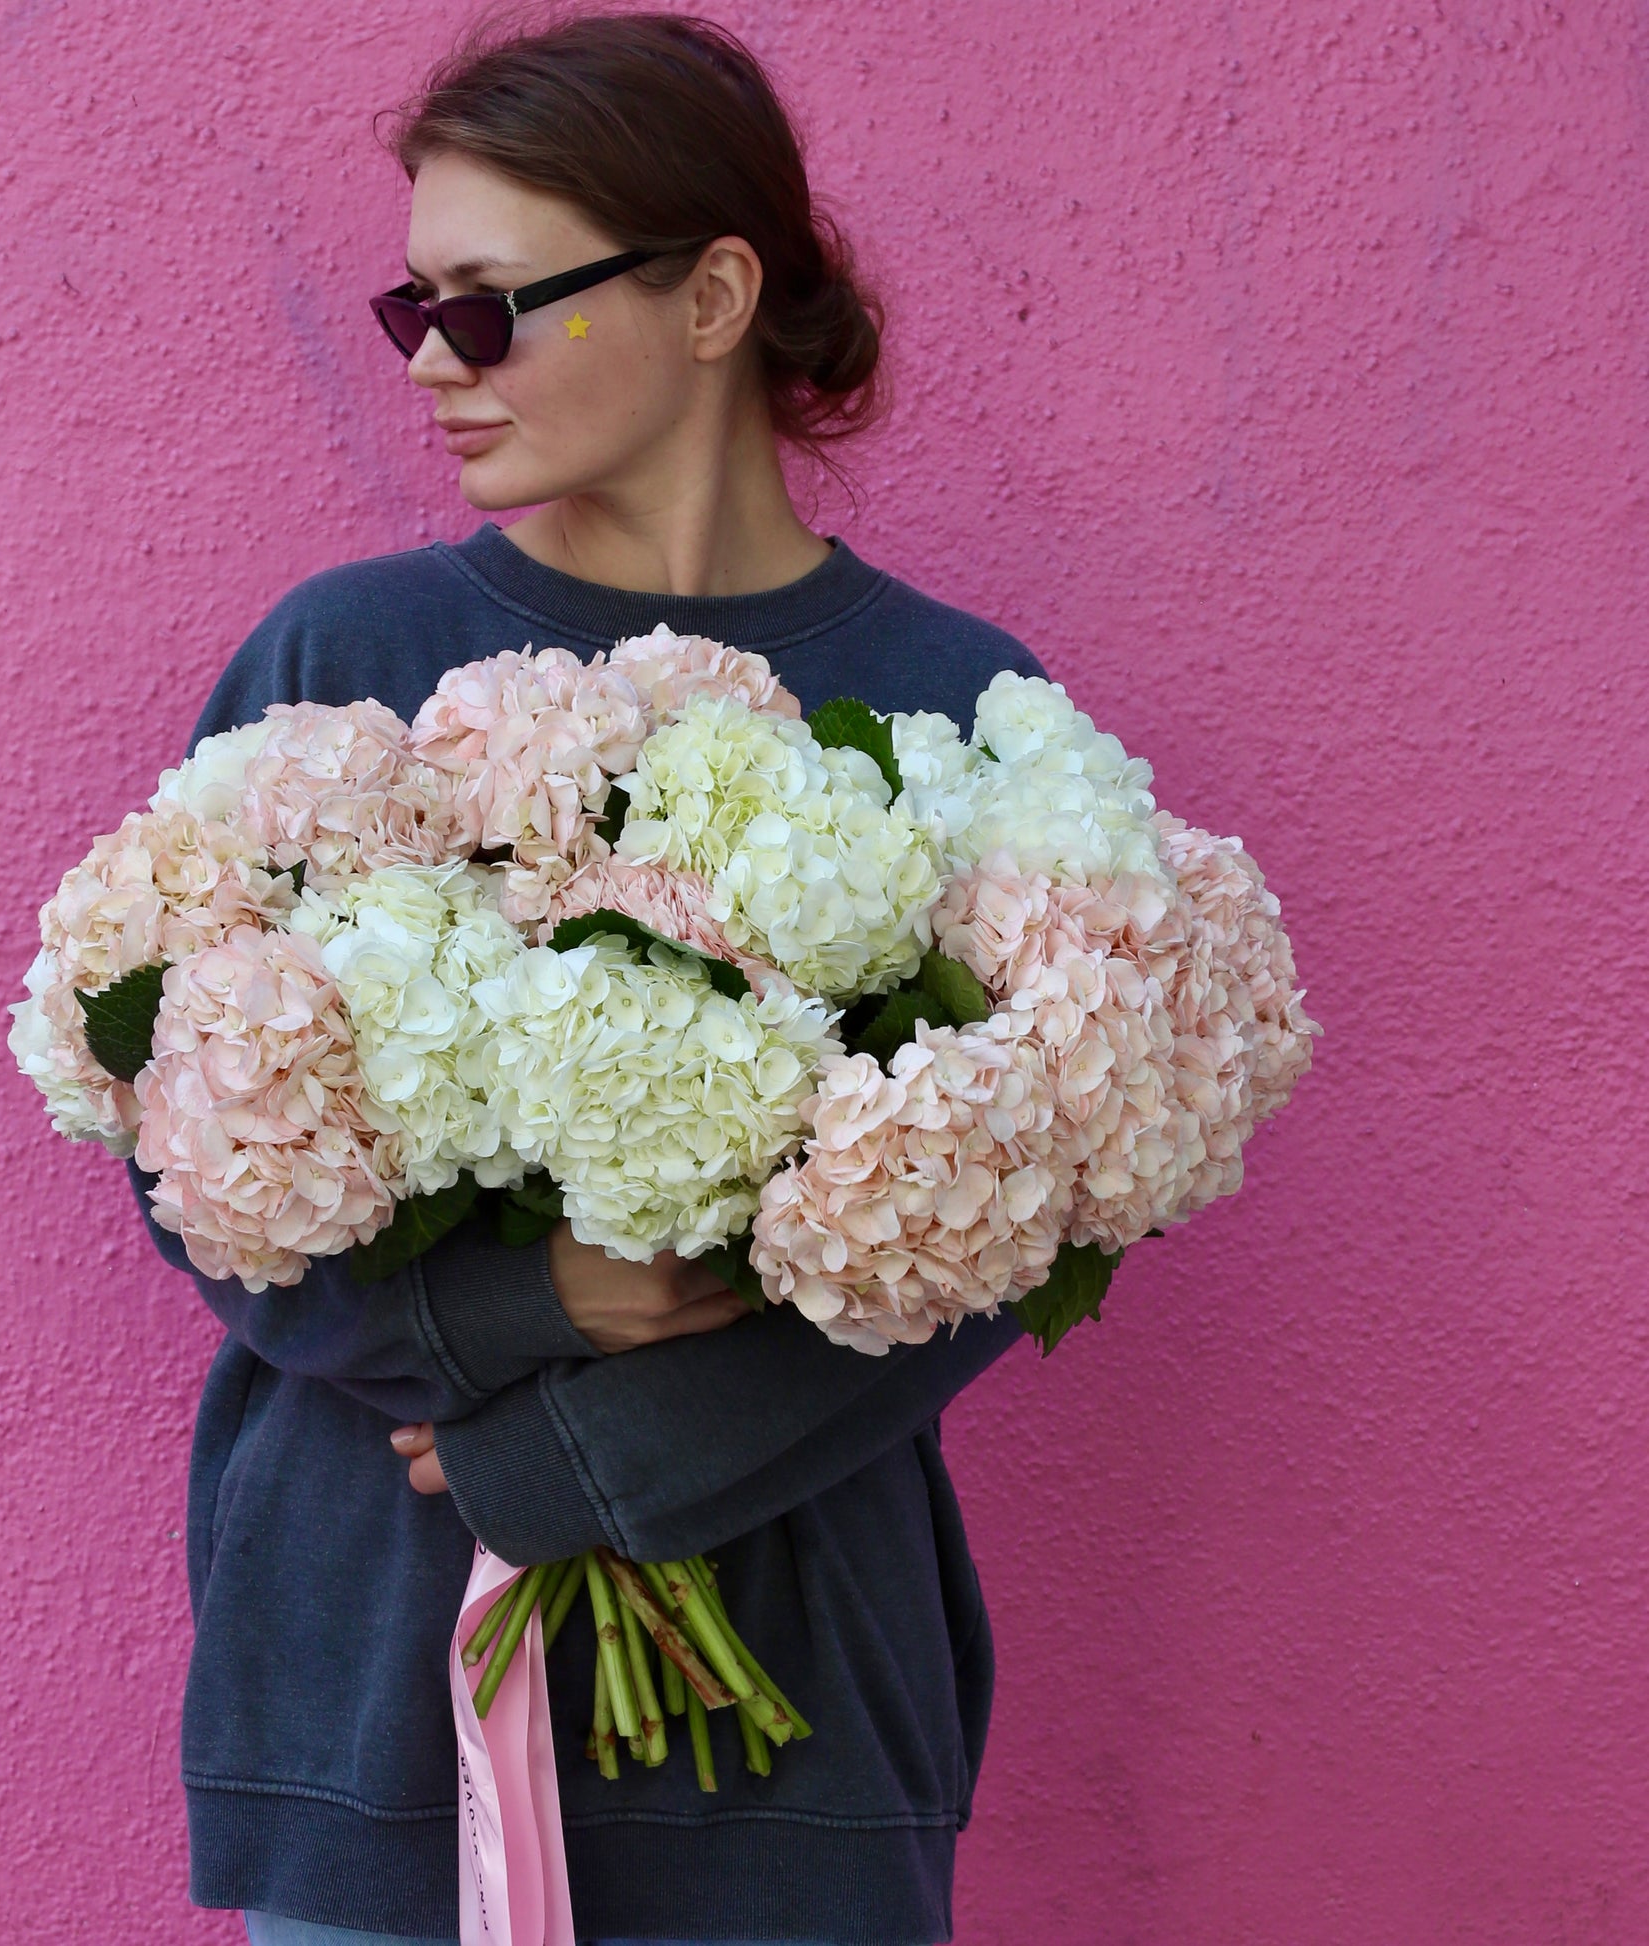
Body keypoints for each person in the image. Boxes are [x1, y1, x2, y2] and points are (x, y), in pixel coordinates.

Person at [127, 15, 1048, 1944]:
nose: (439, 365)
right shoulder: (342, 661)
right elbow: (185, 1146)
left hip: (785, 1734)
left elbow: (999, 1229)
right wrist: (523, 1301)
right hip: (377, 1686)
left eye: (491, 302)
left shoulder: (964, 713)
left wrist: (560, 1458)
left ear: (713, 294)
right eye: (416, 308)